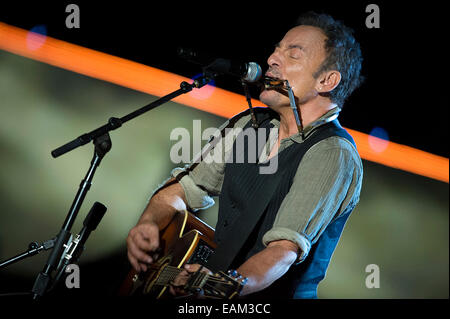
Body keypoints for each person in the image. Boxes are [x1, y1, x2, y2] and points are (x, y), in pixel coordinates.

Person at [126, 11, 364, 299]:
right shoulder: (250, 127)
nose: (272, 60)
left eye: (293, 55)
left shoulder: (331, 152)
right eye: (276, 51)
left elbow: (282, 251)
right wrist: (149, 223)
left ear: (326, 81)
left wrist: (221, 285)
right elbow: (181, 191)